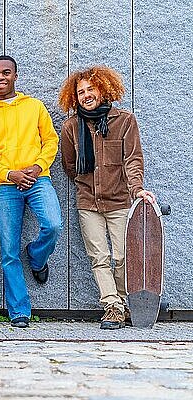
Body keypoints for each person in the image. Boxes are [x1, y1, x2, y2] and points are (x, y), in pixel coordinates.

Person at [58, 65, 156, 330]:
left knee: (124, 256)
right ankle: (112, 306)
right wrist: (84, 185)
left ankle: (123, 302)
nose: (86, 95)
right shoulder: (70, 127)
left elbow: (133, 160)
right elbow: (69, 164)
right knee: (98, 257)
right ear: (74, 97)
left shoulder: (124, 121)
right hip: (88, 203)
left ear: (103, 88)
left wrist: (137, 189)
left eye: (91, 89)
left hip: (119, 201)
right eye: (80, 92)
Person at [0, 55, 63, 328]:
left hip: (38, 180)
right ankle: (19, 310)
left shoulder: (35, 107)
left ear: (15, 76)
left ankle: (37, 257)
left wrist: (37, 168)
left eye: (6, 73)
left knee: (53, 225)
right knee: (8, 251)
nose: (0, 77)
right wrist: (9, 174)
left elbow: (51, 140)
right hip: (6, 186)